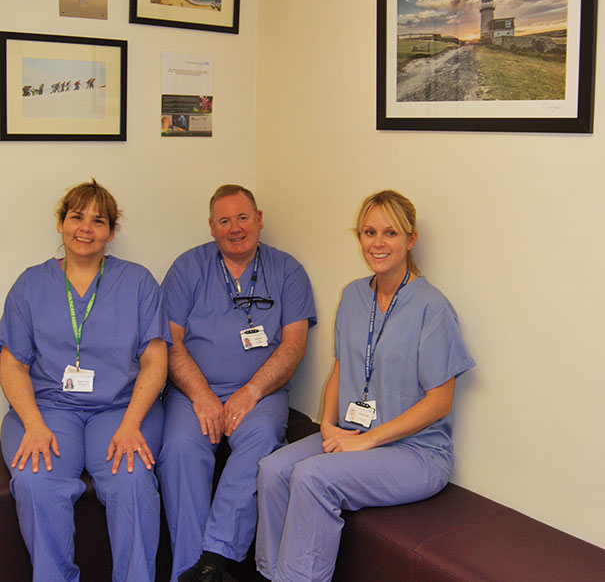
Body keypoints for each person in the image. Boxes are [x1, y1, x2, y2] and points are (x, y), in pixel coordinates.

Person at [255, 190, 475, 582]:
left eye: (390, 233)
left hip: (416, 452)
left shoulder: (432, 308)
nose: (378, 242)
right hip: (354, 432)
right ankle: (273, 575)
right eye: (369, 232)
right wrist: (327, 424)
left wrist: (368, 441)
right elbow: (341, 369)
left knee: (312, 477)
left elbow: (440, 402)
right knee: (273, 470)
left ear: (411, 239)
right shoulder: (354, 295)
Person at [0, 179, 170, 582]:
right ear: (61, 223)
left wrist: (131, 425)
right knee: (36, 481)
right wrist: (34, 425)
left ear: (111, 232)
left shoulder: (138, 282)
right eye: (77, 216)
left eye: (99, 220)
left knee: (131, 481)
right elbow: (12, 364)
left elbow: (155, 360)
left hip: (122, 407)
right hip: (49, 408)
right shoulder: (29, 284)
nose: (86, 228)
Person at [158, 184, 316, 582]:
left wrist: (251, 391)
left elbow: (294, 345)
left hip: (260, 394)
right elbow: (170, 342)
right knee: (179, 448)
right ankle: (188, 568)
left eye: (243, 217)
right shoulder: (187, 268)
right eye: (224, 221)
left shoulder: (288, 271)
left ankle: (215, 559)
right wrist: (201, 394)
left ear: (259, 220)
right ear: (211, 227)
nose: (235, 228)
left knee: (261, 442)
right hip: (193, 393)